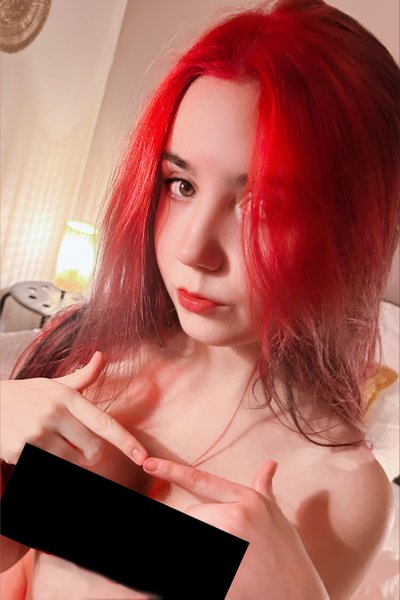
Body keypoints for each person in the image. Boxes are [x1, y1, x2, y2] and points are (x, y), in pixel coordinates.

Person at [1, 0, 399, 598]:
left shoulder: (339, 490)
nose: (193, 249)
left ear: (351, 231)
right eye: (181, 184)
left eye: (264, 207)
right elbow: (17, 570)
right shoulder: (90, 350)